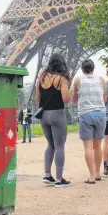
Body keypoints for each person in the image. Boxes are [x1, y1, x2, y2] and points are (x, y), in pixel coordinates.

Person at [36, 53, 71, 188]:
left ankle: (47, 174)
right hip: (57, 114)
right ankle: (59, 178)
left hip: (44, 115)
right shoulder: (62, 78)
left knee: (50, 144)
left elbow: (38, 100)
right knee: (60, 145)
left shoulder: (41, 78)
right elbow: (65, 99)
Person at [72, 59, 106, 184]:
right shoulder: (101, 79)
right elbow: (104, 98)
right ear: (93, 68)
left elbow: (74, 100)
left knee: (88, 147)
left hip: (86, 114)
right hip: (100, 114)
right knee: (98, 146)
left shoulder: (78, 80)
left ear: (82, 69)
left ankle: (91, 176)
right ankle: (98, 173)